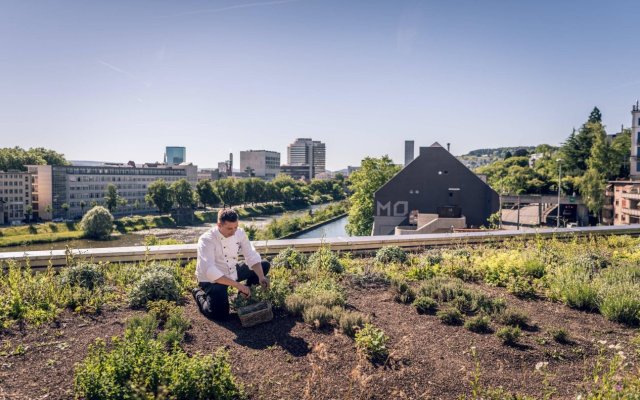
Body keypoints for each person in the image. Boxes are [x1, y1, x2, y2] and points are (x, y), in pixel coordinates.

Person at [192, 209, 270, 320]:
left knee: (263, 265)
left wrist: (261, 277)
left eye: (235, 227)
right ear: (219, 225)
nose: (234, 231)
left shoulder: (239, 232)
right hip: (212, 279)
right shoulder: (206, 240)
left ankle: (243, 295)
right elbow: (210, 270)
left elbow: (251, 255)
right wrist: (238, 285)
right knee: (219, 315)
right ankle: (198, 294)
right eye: (229, 228)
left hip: (232, 270)